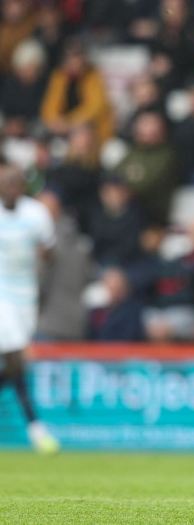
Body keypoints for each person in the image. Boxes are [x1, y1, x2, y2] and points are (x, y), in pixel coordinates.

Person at [0, 164, 60, 453]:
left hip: (26, 295)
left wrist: (43, 262)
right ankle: (36, 427)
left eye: (15, 184)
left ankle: (36, 427)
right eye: (5, 184)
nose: (10, 189)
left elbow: (50, 251)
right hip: (2, 295)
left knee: (14, 365)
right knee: (16, 356)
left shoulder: (36, 214)